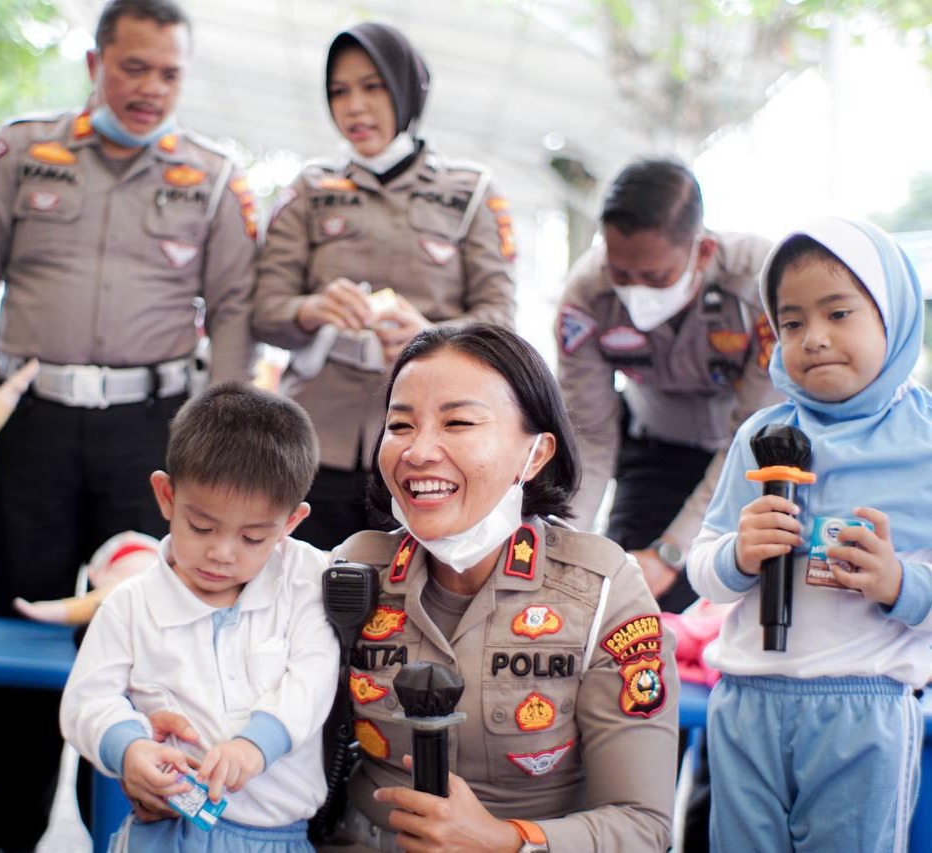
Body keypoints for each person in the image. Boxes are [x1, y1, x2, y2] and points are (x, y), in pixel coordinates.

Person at [0, 0, 258, 848]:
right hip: (32, 424)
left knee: (142, 635)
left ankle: (116, 819)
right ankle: (2, 827)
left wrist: (215, 448)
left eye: (169, 74)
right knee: (14, 616)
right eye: (133, 67)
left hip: (150, 435)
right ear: (95, 62)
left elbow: (235, 313)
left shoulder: (212, 177)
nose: (150, 89)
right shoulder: (23, 151)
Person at [319, 323, 679, 851]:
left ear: (534, 455)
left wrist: (505, 840)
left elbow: (643, 824)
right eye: (400, 426)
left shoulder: (604, 590)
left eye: (458, 422)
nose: (418, 452)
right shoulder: (352, 573)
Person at [687, 218, 932, 852]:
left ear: (894, 316)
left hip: (866, 703)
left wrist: (900, 582)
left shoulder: (925, 440)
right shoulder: (760, 434)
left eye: (839, 313)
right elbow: (701, 568)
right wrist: (739, 555)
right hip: (746, 701)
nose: (815, 339)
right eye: (792, 323)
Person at [253, 21, 517, 551]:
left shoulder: (470, 194)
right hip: (315, 436)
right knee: (308, 588)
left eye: (372, 87)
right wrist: (313, 308)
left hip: (429, 444)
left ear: (406, 89)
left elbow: (501, 321)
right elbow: (264, 310)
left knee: (413, 597)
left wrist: (433, 337)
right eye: (339, 91)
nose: (354, 107)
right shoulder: (308, 189)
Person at [61, 383, 339, 852]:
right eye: (202, 527)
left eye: (253, 537)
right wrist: (128, 747)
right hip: (165, 832)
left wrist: (256, 744)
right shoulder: (130, 604)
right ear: (166, 495)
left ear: (290, 523)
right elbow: (86, 701)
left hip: (274, 838)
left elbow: (312, 679)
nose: (221, 553)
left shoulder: (306, 581)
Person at [555, 157, 779, 614]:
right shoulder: (585, 298)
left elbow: (750, 434)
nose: (636, 289)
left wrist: (672, 552)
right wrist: (561, 546)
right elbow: (590, 435)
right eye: (621, 274)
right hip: (652, 451)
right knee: (622, 601)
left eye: (655, 277)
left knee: (727, 608)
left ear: (703, 251)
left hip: (747, 462)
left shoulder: (762, 284)